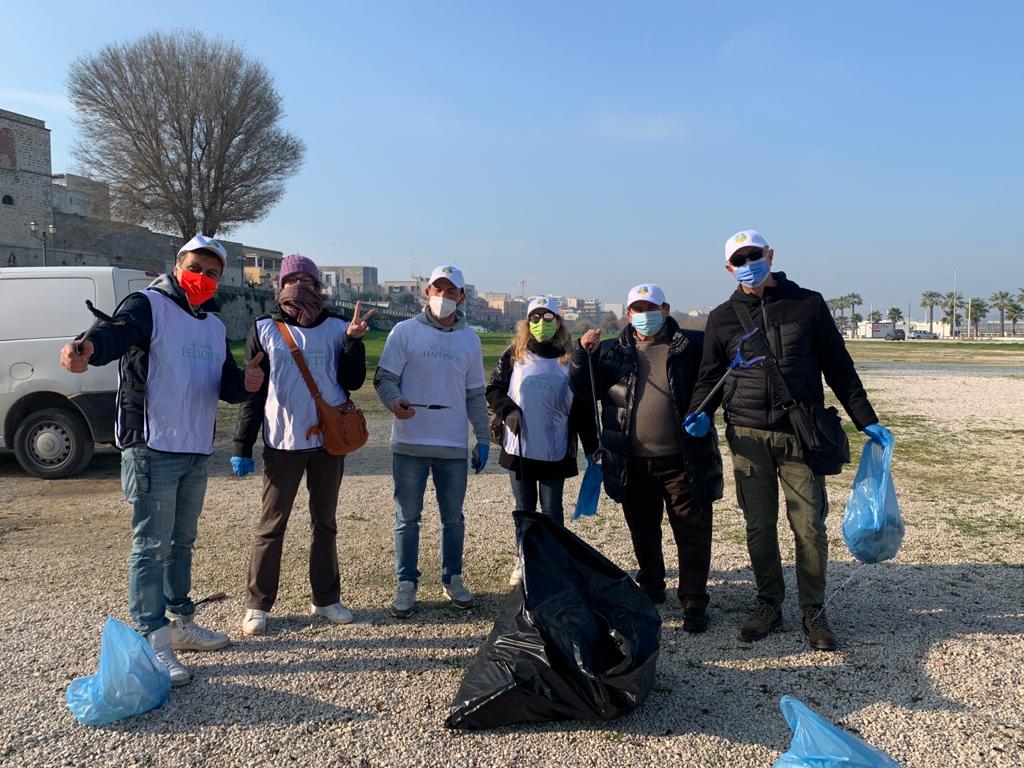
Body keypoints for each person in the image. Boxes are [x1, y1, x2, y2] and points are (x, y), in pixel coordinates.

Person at [59, 235, 264, 686]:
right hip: (152, 446)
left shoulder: (211, 325)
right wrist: (89, 348)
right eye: (197, 268)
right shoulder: (148, 304)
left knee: (182, 542)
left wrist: (246, 382)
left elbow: (224, 384)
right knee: (151, 546)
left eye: (213, 274)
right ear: (177, 264)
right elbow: (117, 331)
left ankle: (180, 622)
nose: (204, 279)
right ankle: (152, 641)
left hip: (194, 448)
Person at [686, 229, 892, 651]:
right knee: (759, 526)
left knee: (809, 528)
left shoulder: (808, 304)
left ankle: (814, 609)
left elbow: (839, 367)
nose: (748, 263)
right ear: (729, 268)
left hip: (800, 434)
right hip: (746, 435)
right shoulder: (722, 317)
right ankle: (768, 604)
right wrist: (699, 413)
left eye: (754, 255)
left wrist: (865, 418)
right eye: (739, 259)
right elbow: (709, 376)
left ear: (770, 254)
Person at [230, 254, 373, 636]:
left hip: (329, 440)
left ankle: (325, 598)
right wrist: (242, 445)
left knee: (324, 523)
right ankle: (257, 603)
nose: (299, 287)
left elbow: (353, 381)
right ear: (280, 287)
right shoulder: (265, 328)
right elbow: (254, 389)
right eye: (291, 280)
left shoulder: (338, 327)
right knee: (271, 524)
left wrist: (353, 344)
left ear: (317, 285)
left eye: (306, 281)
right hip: (282, 440)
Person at [571, 284, 723, 633]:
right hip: (632, 461)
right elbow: (581, 389)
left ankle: (694, 601)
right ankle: (652, 586)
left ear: (666, 309)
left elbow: (718, 382)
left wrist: (708, 412)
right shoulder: (610, 352)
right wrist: (582, 355)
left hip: (683, 459)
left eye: (651, 307)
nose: (645, 315)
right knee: (643, 530)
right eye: (637, 309)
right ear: (628, 315)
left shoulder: (691, 346)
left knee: (693, 531)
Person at [373, 265, 489, 618]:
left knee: (452, 518)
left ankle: (452, 577)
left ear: (462, 296)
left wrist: (482, 438)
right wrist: (394, 402)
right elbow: (384, 378)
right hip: (410, 442)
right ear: (427, 293)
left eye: (451, 291)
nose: (443, 297)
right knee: (407, 518)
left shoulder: (471, 339)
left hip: (452, 444)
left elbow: (474, 394)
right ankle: (406, 583)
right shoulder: (404, 332)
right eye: (437, 290)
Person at [485, 296, 599, 586]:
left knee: (551, 510)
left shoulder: (569, 357)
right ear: (527, 322)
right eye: (535, 318)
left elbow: (583, 406)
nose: (540, 324)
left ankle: (555, 561)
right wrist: (508, 410)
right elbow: (495, 388)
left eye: (547, 318)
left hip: (554, 447)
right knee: (525, 507)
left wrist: (593, 448)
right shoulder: (515, 354)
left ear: (558, 322)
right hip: (519, 447)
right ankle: (524, 559)